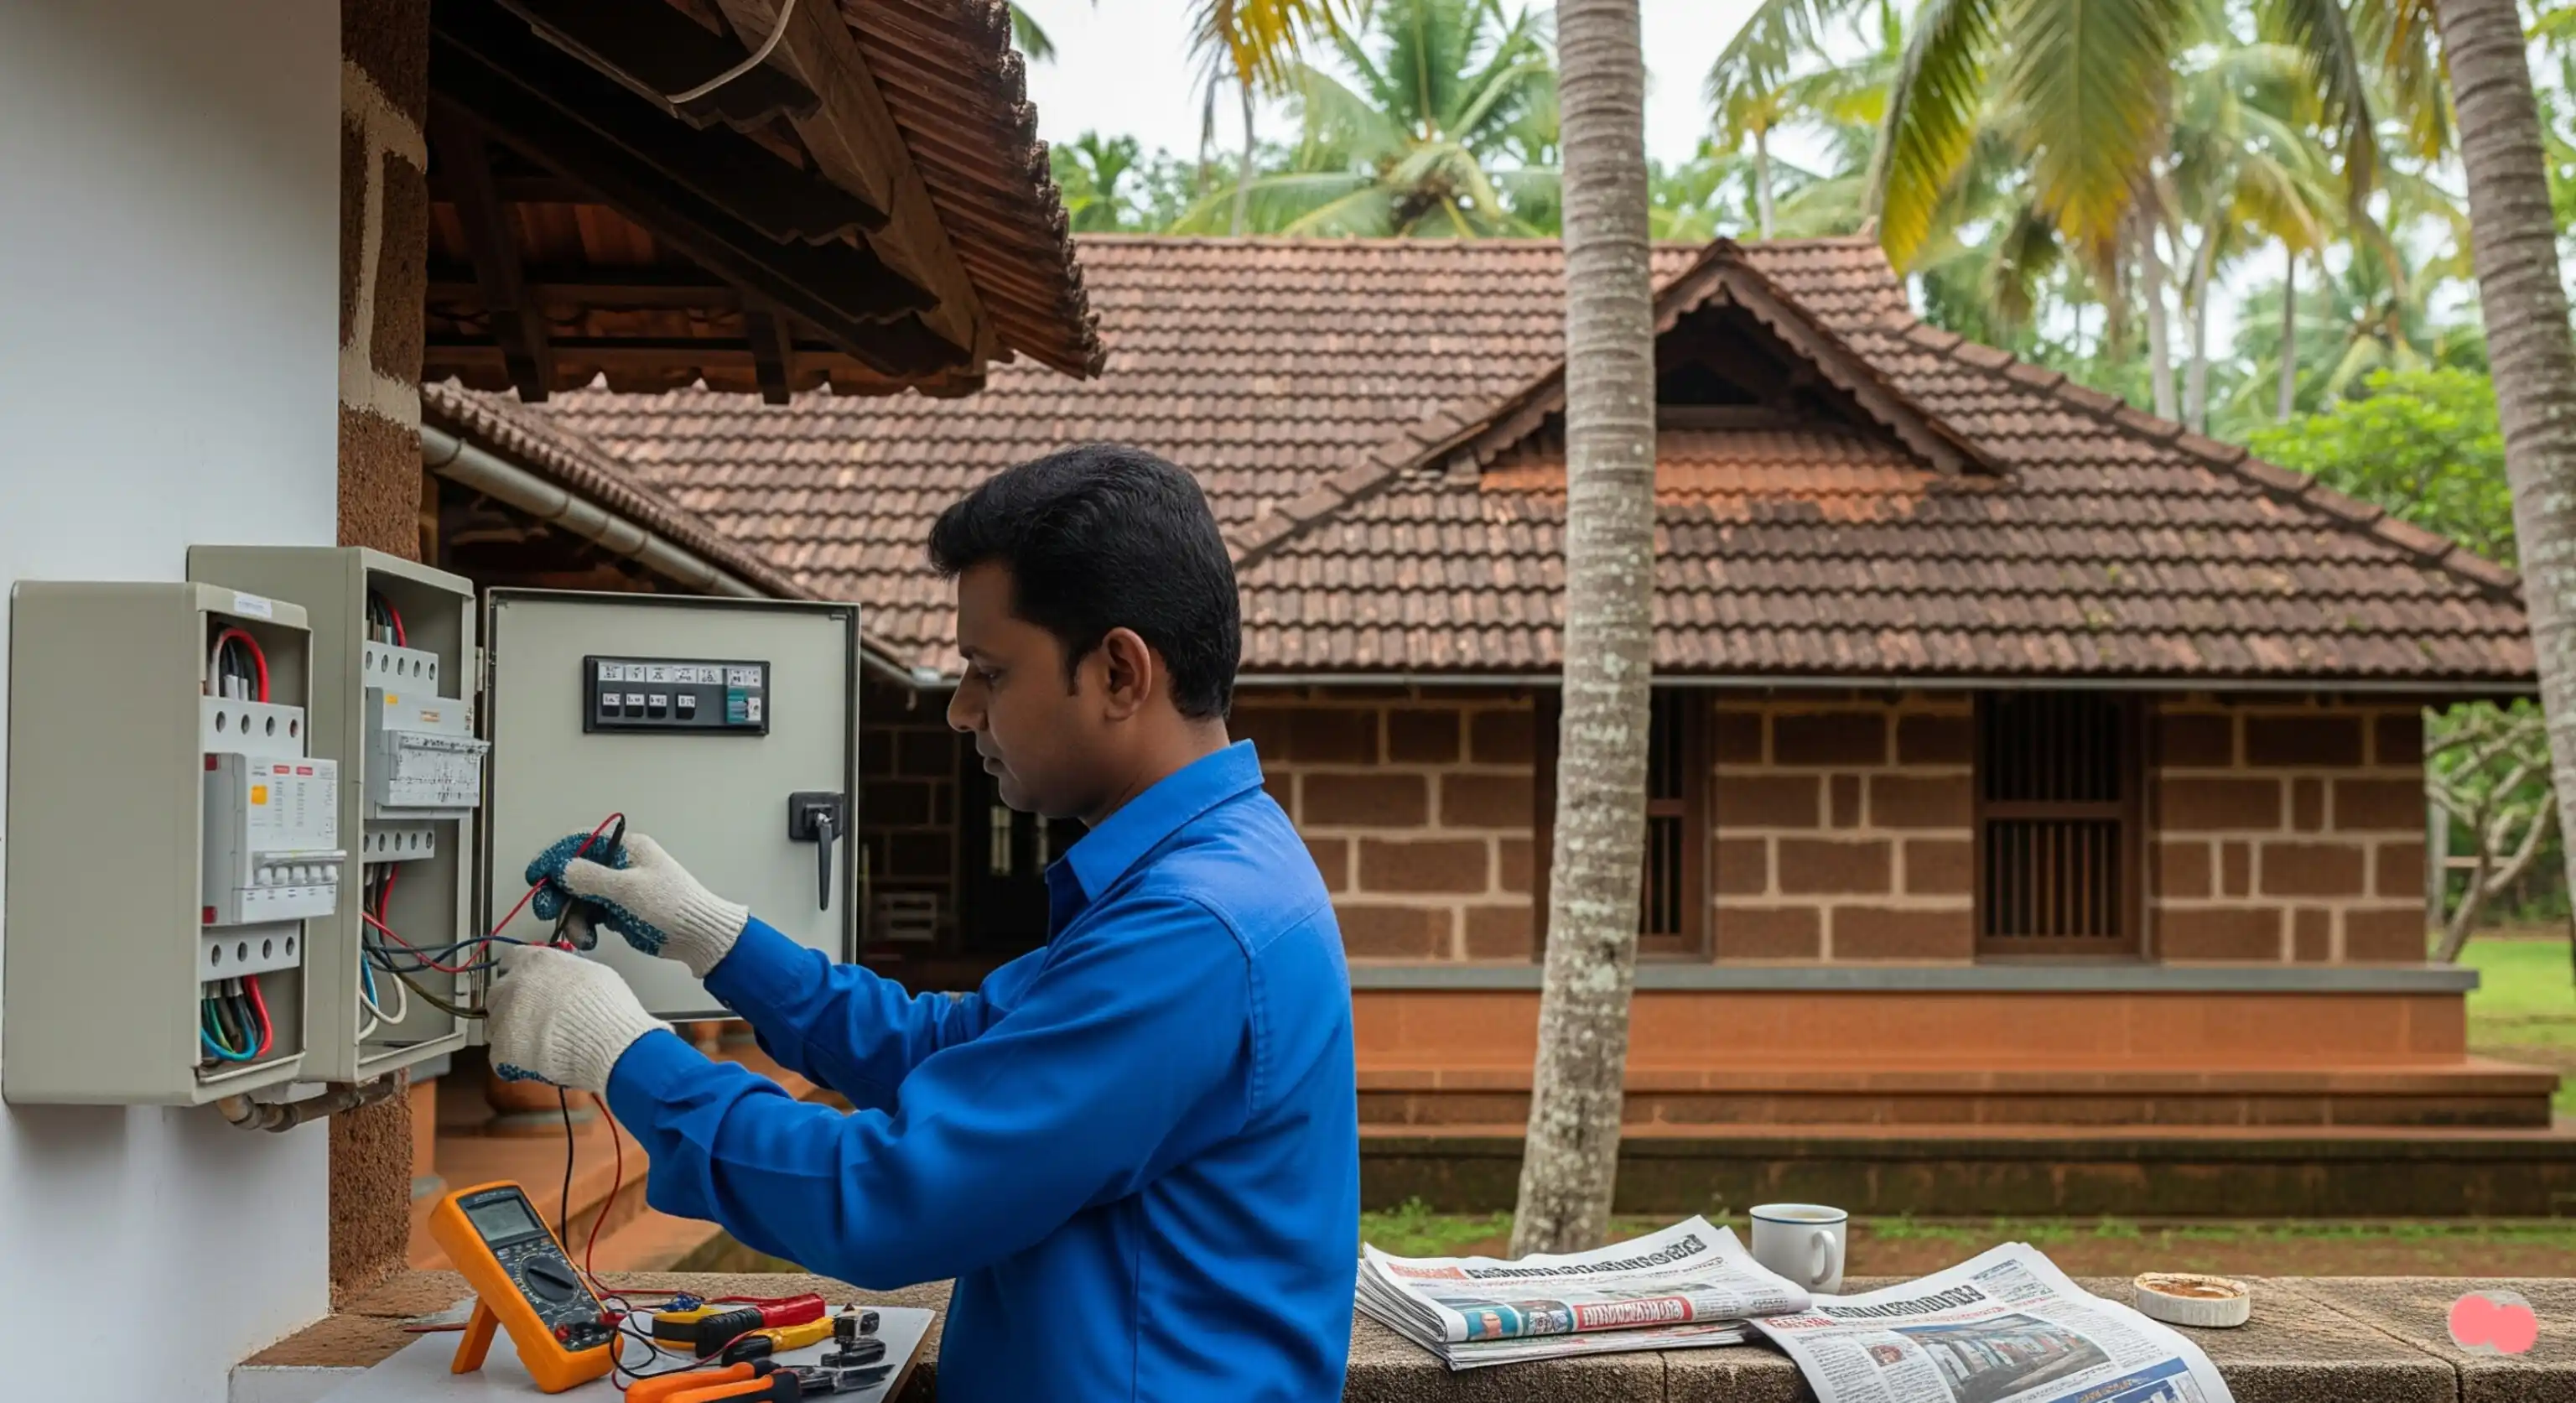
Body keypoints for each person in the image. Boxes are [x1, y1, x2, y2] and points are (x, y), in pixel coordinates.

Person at [484, 444, 1359, 1402]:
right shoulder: (1204, 871)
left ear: (1118, 671)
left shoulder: (1191, 929)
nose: (961, 710)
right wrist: (715, 937)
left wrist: (623, 1053)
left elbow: (896, 1196)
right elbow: (954, 1043)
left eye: (989, 670)